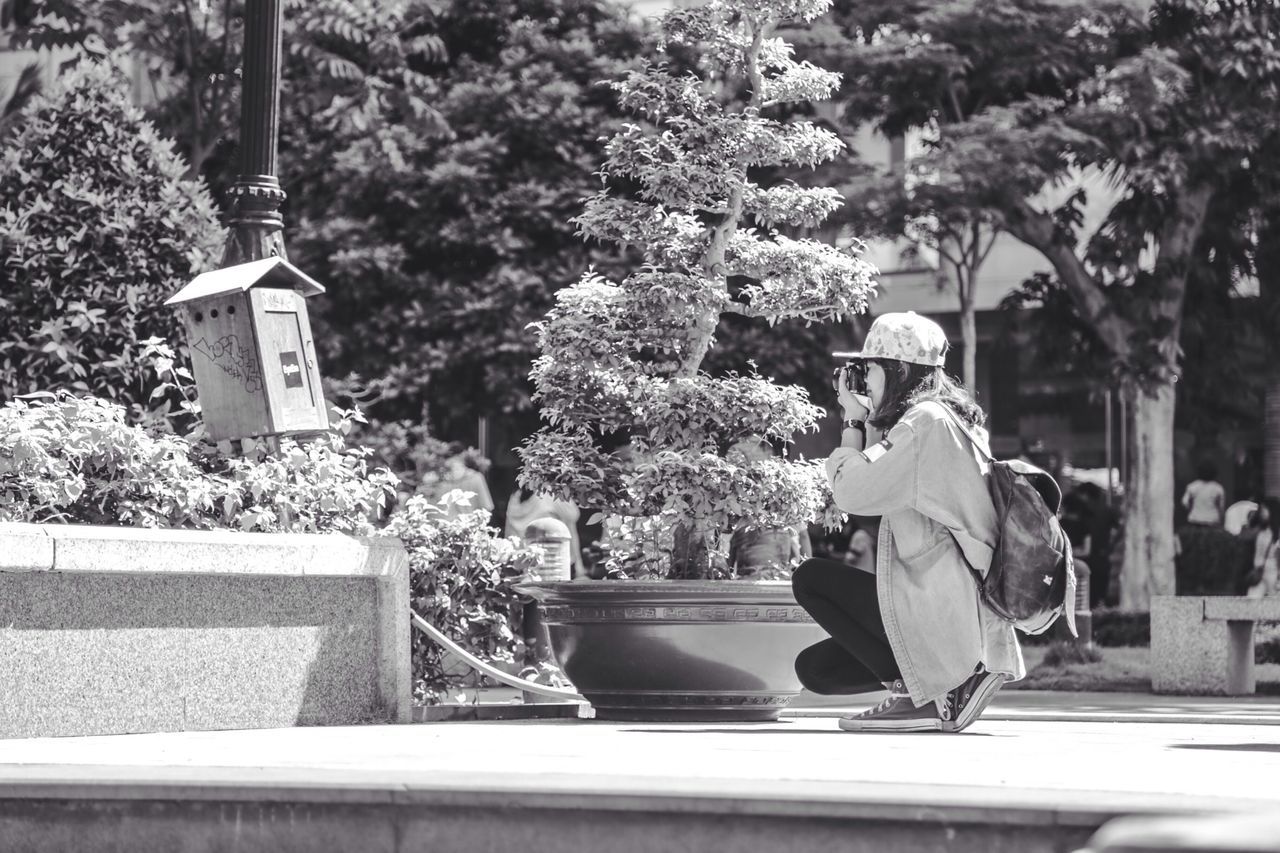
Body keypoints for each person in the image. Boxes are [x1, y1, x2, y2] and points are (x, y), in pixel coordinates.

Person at [792, 311, 1023, 733]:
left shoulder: (924, 425)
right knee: (817, 669)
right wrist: (870, 417)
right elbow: (879, 475)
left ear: (896, 371)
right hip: (951, 605)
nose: (862, 379)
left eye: (868, 370)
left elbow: (854, 492)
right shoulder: (943, 419)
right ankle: (939, 684)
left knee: (811, 578)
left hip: (939, 604)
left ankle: (928, 695)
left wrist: (851, 421)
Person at [506, 487, 585, 576]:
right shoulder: (549, 494)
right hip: (555, 564)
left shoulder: (515, 496)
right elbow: (573, 514)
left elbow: (509, 533)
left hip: (527, 564)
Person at [1245, 498, 1280, 598]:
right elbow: (1244, 536)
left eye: (1265, 509)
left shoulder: (1276, 532)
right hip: (1258, 570)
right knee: (1253, 599)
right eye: (1261, 509)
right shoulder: (1259, 530)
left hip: (1272, 569)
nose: (1262, 512)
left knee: (1273, 601)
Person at [1182, 461, 1226, 527]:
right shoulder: (1218, 488)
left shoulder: (1192, 486)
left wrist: (1191, 510)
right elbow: (1220, 507)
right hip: (1212, 521)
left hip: (1195, 520)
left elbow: (1185, 502)